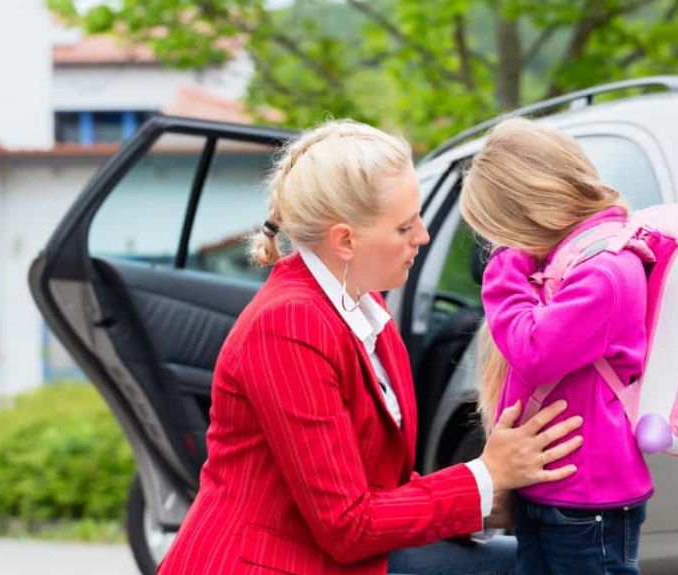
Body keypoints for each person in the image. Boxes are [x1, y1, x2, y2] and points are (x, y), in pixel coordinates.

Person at [157, 119, 585, 575]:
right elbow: (348, 524)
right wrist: (485, 475)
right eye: (405, 227)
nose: (422, 236)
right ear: (345, 240)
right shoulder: (288, 324)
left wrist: (489, 503)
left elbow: (378, 490)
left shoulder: (364, 310)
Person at [459, 117, 653, 575]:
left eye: (500, 230)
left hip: (587, 499)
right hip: (552, 486)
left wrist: (504, 267)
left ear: (527, 211)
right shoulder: (568, 264)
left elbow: (536, 353)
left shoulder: (604, 271)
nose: (498, 244)